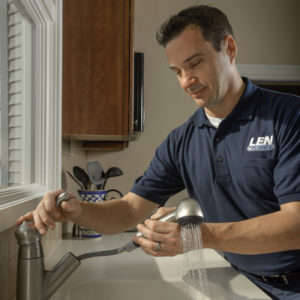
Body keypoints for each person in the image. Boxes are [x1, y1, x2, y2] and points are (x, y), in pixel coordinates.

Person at [17, 5, 300, 299]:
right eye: (177, 71)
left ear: (229, 48)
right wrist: (78, 211)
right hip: (239, 276)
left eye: (195, 63)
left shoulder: (289, 117)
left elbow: (296, 224)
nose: (186, 81)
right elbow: (128, 210)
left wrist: (199, 236)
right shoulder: (182, 141)